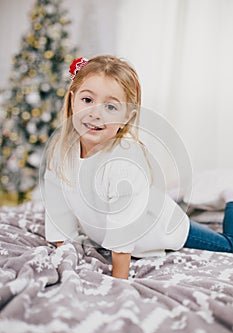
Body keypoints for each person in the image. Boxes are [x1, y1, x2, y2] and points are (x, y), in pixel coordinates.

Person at [43, 55, 233, 280]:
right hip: (132, 212)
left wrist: (118, 280)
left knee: (228, 244)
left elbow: (123, 228)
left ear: (126, 117)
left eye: (111, 106)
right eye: (87, 100)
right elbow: (58, 210)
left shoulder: (125, 160)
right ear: (72, 100)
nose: (95, 113)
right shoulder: (60, 151)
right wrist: (64, 253)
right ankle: (168, 195)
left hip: (163, 227)